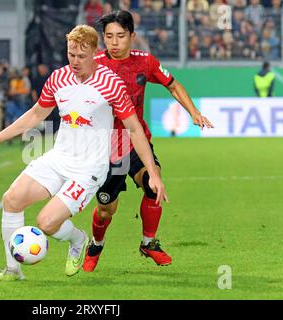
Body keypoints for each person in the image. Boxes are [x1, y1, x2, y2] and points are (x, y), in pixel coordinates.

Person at [0, 24, 167, 282]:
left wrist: (153, 173)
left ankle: (78, 239)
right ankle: (12, 270)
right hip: (57, 159)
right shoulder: (58, 78)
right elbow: (37, 114)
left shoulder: (111, 84)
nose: (75, 61)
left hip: (89, 170)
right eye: (71, 54)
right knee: (11, 199)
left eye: (81, 56)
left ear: (95, 52)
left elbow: (135, 130)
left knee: (46, 223)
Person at [83, 10, 214, 272]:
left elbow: (173, 85)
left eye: (120, 36)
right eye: (108, 37)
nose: (114, 42)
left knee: (155, 185)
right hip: (107, 146)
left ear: (132, 36)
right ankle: (96, 244)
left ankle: (148, 243)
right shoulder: (92, 65)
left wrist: (194, 112)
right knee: (106, 208)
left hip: (136, 139)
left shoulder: (145, 62)